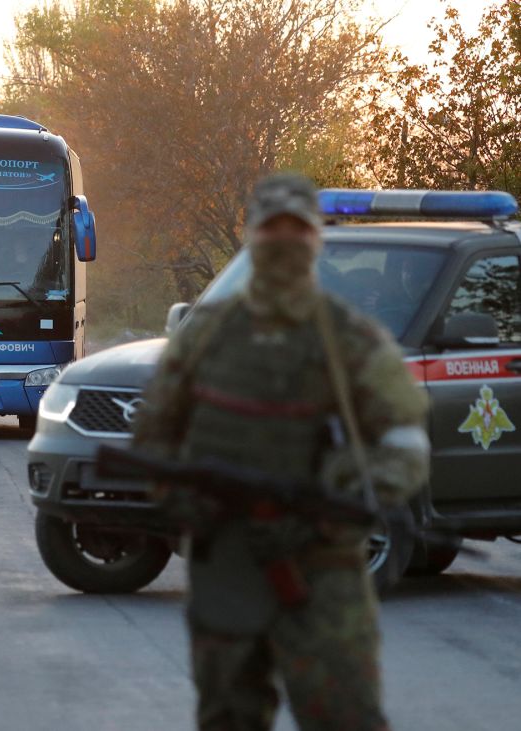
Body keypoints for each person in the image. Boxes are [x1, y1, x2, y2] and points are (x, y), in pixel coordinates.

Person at [131, 173, 430, 731]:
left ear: (315, 239)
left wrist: (347, 490)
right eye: (273, 230)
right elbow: (153, 434)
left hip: (325, 562)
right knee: (230, 715)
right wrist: (185, 502)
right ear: (251, 237)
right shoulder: (205, 336)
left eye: (297, 230)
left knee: (346, 713)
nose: (285, 242)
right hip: (228, 559)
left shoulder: (349, 338)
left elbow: (405, 441)